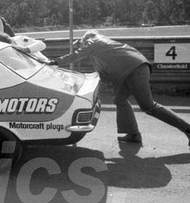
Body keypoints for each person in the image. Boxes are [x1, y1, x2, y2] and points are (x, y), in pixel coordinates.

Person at [48, 29, 190, 146]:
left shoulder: (94, 41)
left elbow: (77, 55)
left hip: (135, 70)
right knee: (119, 99)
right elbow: (105, 74)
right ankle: (133, 134)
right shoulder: (102, 49)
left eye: (82, 44)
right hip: (132, 70)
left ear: (86, 40)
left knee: (148, 106)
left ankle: (187, 129)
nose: (81, 47)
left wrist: (55, 62)